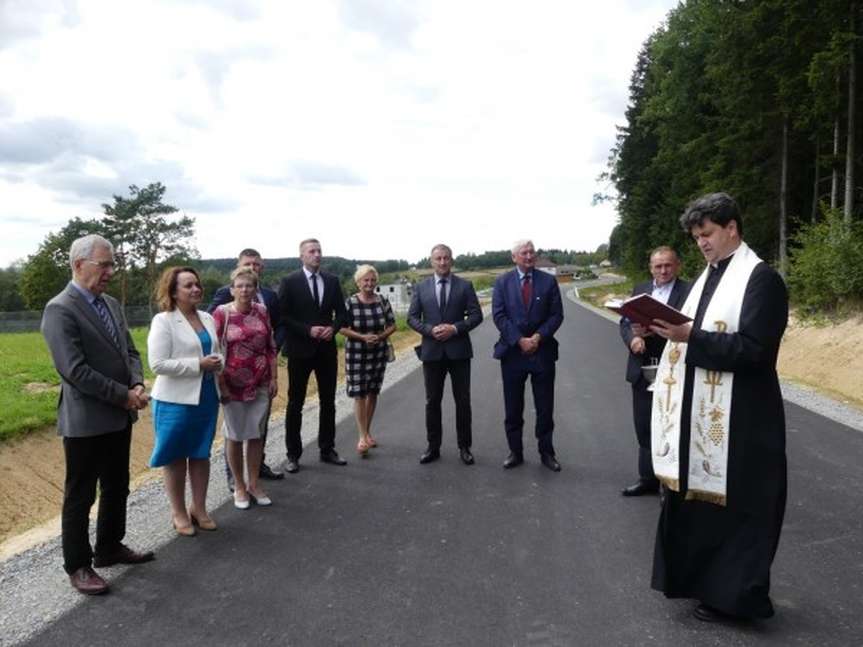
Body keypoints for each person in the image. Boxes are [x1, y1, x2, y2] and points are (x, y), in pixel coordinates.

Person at [648, 193, 788, 622]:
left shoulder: (761, 280)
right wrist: (658, 327)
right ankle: (702, 584)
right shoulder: (706, 279)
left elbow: (755, 351)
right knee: (700, 506)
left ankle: (737, 598)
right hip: (702, 413)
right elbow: (689, 334)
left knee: (740, 509)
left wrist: (690, 336)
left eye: (707, 234)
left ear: (732, 228)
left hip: (745, 417)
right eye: (695, 238)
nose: (702, 244)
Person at [41, 234, 154, 596]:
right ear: (78, 265)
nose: (110, 271)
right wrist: (124, 396)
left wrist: (136, 383)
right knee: (81, 494)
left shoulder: (111, 304)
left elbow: (129, 351)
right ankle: (78, 565)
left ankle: (109, 547)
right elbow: (75, 371)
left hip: (120, 415)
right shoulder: (60, 309)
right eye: (103, 264)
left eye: (111, 264)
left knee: (117, 484)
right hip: (87, 421)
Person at [148, 267, 222, 536]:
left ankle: (199, 509)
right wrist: (198, 365)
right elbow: (157, 364)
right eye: (188, 285)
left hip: (206, 397)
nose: (195, 289)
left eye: (197, 284)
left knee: (201, 454)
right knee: (176, 457)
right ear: (173, 291)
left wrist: (217, 363)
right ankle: (179, 512)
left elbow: (216, 351)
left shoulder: (207, 318)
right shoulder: (164, 321)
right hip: (175, 402)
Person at [208, 248, 284, 487]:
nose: (244, 289)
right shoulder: (221, 311)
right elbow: (214, 346)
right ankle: (236, 483)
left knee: (256, 432)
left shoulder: (264, 307)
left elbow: (272, 341)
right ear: (232, 288)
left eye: (249, 285)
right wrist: (221, 383)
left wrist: (273, 377)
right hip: (231, 383)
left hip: (260, 381)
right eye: (240, 286)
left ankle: (254, 481)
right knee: (234, 434)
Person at [619, 247, 689, 496]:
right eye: (658, 266)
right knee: (644, 426)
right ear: (651, 267)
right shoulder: (640, 289)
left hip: (674, 368)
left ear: (677, 265)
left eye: (668, 265)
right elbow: (625, 322)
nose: (663, 270)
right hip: (641, 365)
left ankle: (667, 485)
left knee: (671, 426)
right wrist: (633, 339)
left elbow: (693, 325)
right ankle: (646, 478)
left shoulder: (689, 291)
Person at [277, 238, 349, 472]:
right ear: (302, 256)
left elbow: (342, 313)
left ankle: (327, 449)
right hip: (299, 350)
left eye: (319, 251)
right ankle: (293, 455)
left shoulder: (332, 281)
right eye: (312, 251)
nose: (317, 255)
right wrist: (308, 329)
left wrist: (333, 328)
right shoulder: (289, 282)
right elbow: (283, 316)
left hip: (326, 350)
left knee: (328, 401)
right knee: (295, 403)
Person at [407, 244, 483, 465]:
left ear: (452, 260)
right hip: (431, 352)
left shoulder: (465, 286)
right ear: (431, 261)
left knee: (463, 401)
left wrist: (455, 328)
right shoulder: (421, 287)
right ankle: (433, 447)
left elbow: (476, 316)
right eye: (438, 258)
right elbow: (412, 318)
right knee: (432, 402)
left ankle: (465, 447)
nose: (442, 262)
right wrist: (430, 330)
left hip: (459, 352)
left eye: (446, 258)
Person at [492, 239, 564, 471]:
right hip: (512, 354)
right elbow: (499, 316)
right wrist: (519, 340)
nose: (529, 256)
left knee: (545, 407)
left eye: (532, 252)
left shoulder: (548, 281)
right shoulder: (502, 282)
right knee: (513, 407)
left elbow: (556, 315)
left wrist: (537, 338)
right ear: (514, 257)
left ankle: (547, 452)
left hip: (542, 352)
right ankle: (515, 452)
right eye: (524, 253)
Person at [339, 265, 397, 456]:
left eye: (372, 280)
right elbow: (341, 327)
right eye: (366, 280)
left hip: (377, 353)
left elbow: (392, 325)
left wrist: (380, 337)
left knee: (372, 392)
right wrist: (362, 337)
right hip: (356, 353)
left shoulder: (382, 301)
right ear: (358, 282)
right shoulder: (350, 303)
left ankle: (367, 431)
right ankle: (362, 437)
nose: (369, 284)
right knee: (359, 394)